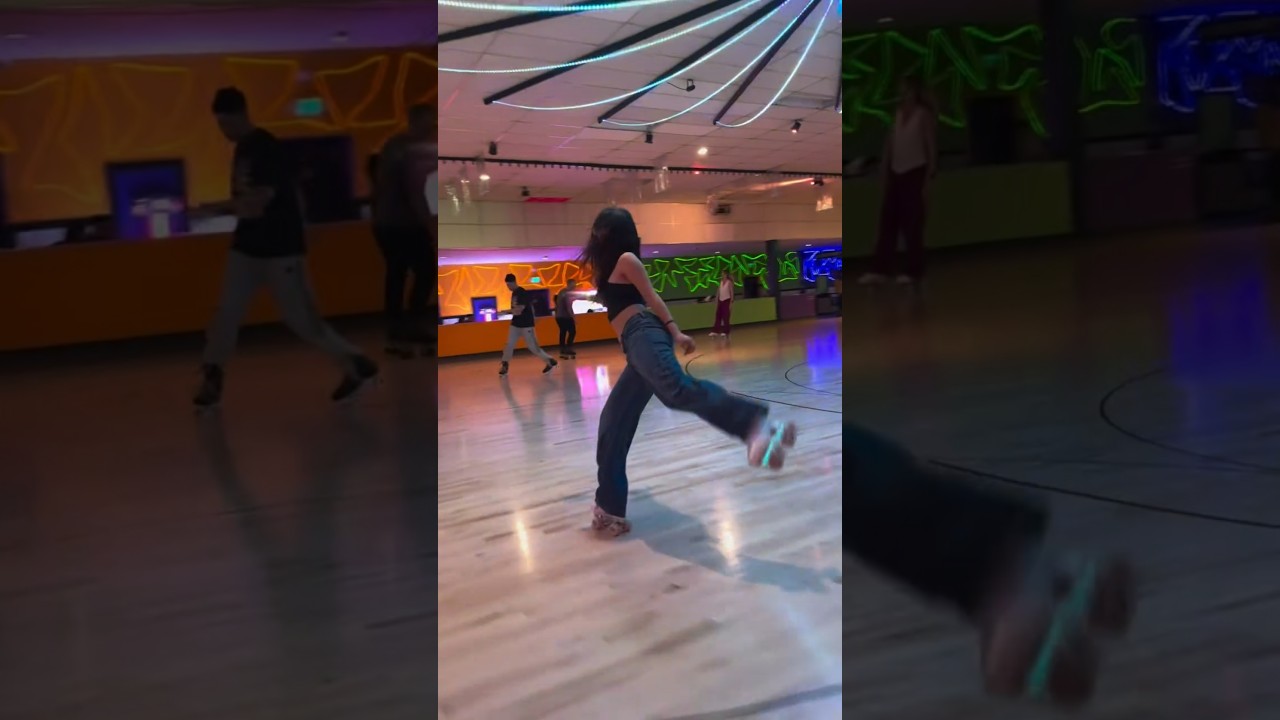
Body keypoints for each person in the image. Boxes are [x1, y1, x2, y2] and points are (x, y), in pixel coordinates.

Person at [842, 423, 1136, 708]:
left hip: (978, 555)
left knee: (1005, 672)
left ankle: (1069, 585)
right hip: (976, 544)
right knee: (1006, 667)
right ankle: (1070, 580)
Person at [581, 207, 797, 536]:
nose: (596, 237)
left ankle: (754, 423)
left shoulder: (627, 259)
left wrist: (676, 332)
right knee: (613, 424)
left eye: (602, 231)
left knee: (676, 390)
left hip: (644, 334)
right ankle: (609, 509)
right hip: (635, 347)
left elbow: (653, 299)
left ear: (615, 234)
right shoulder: (611, 266)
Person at [193, 87, 378, 410]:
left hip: (280, 250)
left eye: (225, 123)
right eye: (220, 124)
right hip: (247, 246)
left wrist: (212, 209)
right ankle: (212, 373)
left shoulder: (265, 148)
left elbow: (258, 202)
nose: (223, 131)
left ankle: (356, 363)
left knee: (302, 320)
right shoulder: (243, 149)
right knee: (226, 313)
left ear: (240, 115)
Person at [860, 75, 938, 288]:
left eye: (906, 89)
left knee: (912, 223)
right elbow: (890, 143)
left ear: (914, 91)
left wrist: (929, 177)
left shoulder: (923, 114)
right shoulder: (897, 113)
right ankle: (880, 269)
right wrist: (884, 168)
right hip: (896, 171)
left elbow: (930, 146)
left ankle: (914, 270)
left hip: (915, 171)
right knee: (888, 222)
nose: (903, 93)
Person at [372, 103, 436, 358]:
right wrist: (429, 224)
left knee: (398, 274)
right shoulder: (408, 149)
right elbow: (414, 191)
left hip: (388, 222)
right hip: (401, 222)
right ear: (415, 122)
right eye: (428, 123)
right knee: (422, 270)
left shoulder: (397, 146)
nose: (432, 128)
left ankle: (400, 329)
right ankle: (409, 325)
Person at [499, 273, 557, 376]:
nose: (508, 287)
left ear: (513, 282)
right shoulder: (514, 293)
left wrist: (505, 312)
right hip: (515, 324)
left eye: (508, 285)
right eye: (507, 285)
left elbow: (519, 310)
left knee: (533, 347)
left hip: (526, 325)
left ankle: (550, 361)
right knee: (509, 345)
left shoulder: (522, 292)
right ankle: (505, 364)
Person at [554, 278, 579, 359]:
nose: (575, 285)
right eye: (574, 284)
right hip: (565, 316)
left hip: (559, 316)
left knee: (563, 332)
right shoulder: (568, 293)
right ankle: (568, 348)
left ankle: (562, 349)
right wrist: (574, 317)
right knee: (572, 332)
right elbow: (569, 307)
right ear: (570, 284)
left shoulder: (562, 291)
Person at [710, 269, 734, 337]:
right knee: (718, 315)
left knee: (726, 316)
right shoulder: (721, 282)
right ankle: (715, 331)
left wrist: (731, 301)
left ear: (726, 275)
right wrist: (716, 298)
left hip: (726, 300)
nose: (722, 275)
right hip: (721, 300)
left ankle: (726, 331)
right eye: (721, 274)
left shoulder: (729, 282)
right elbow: (718, 290)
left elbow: (731, 292)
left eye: (723, 274)